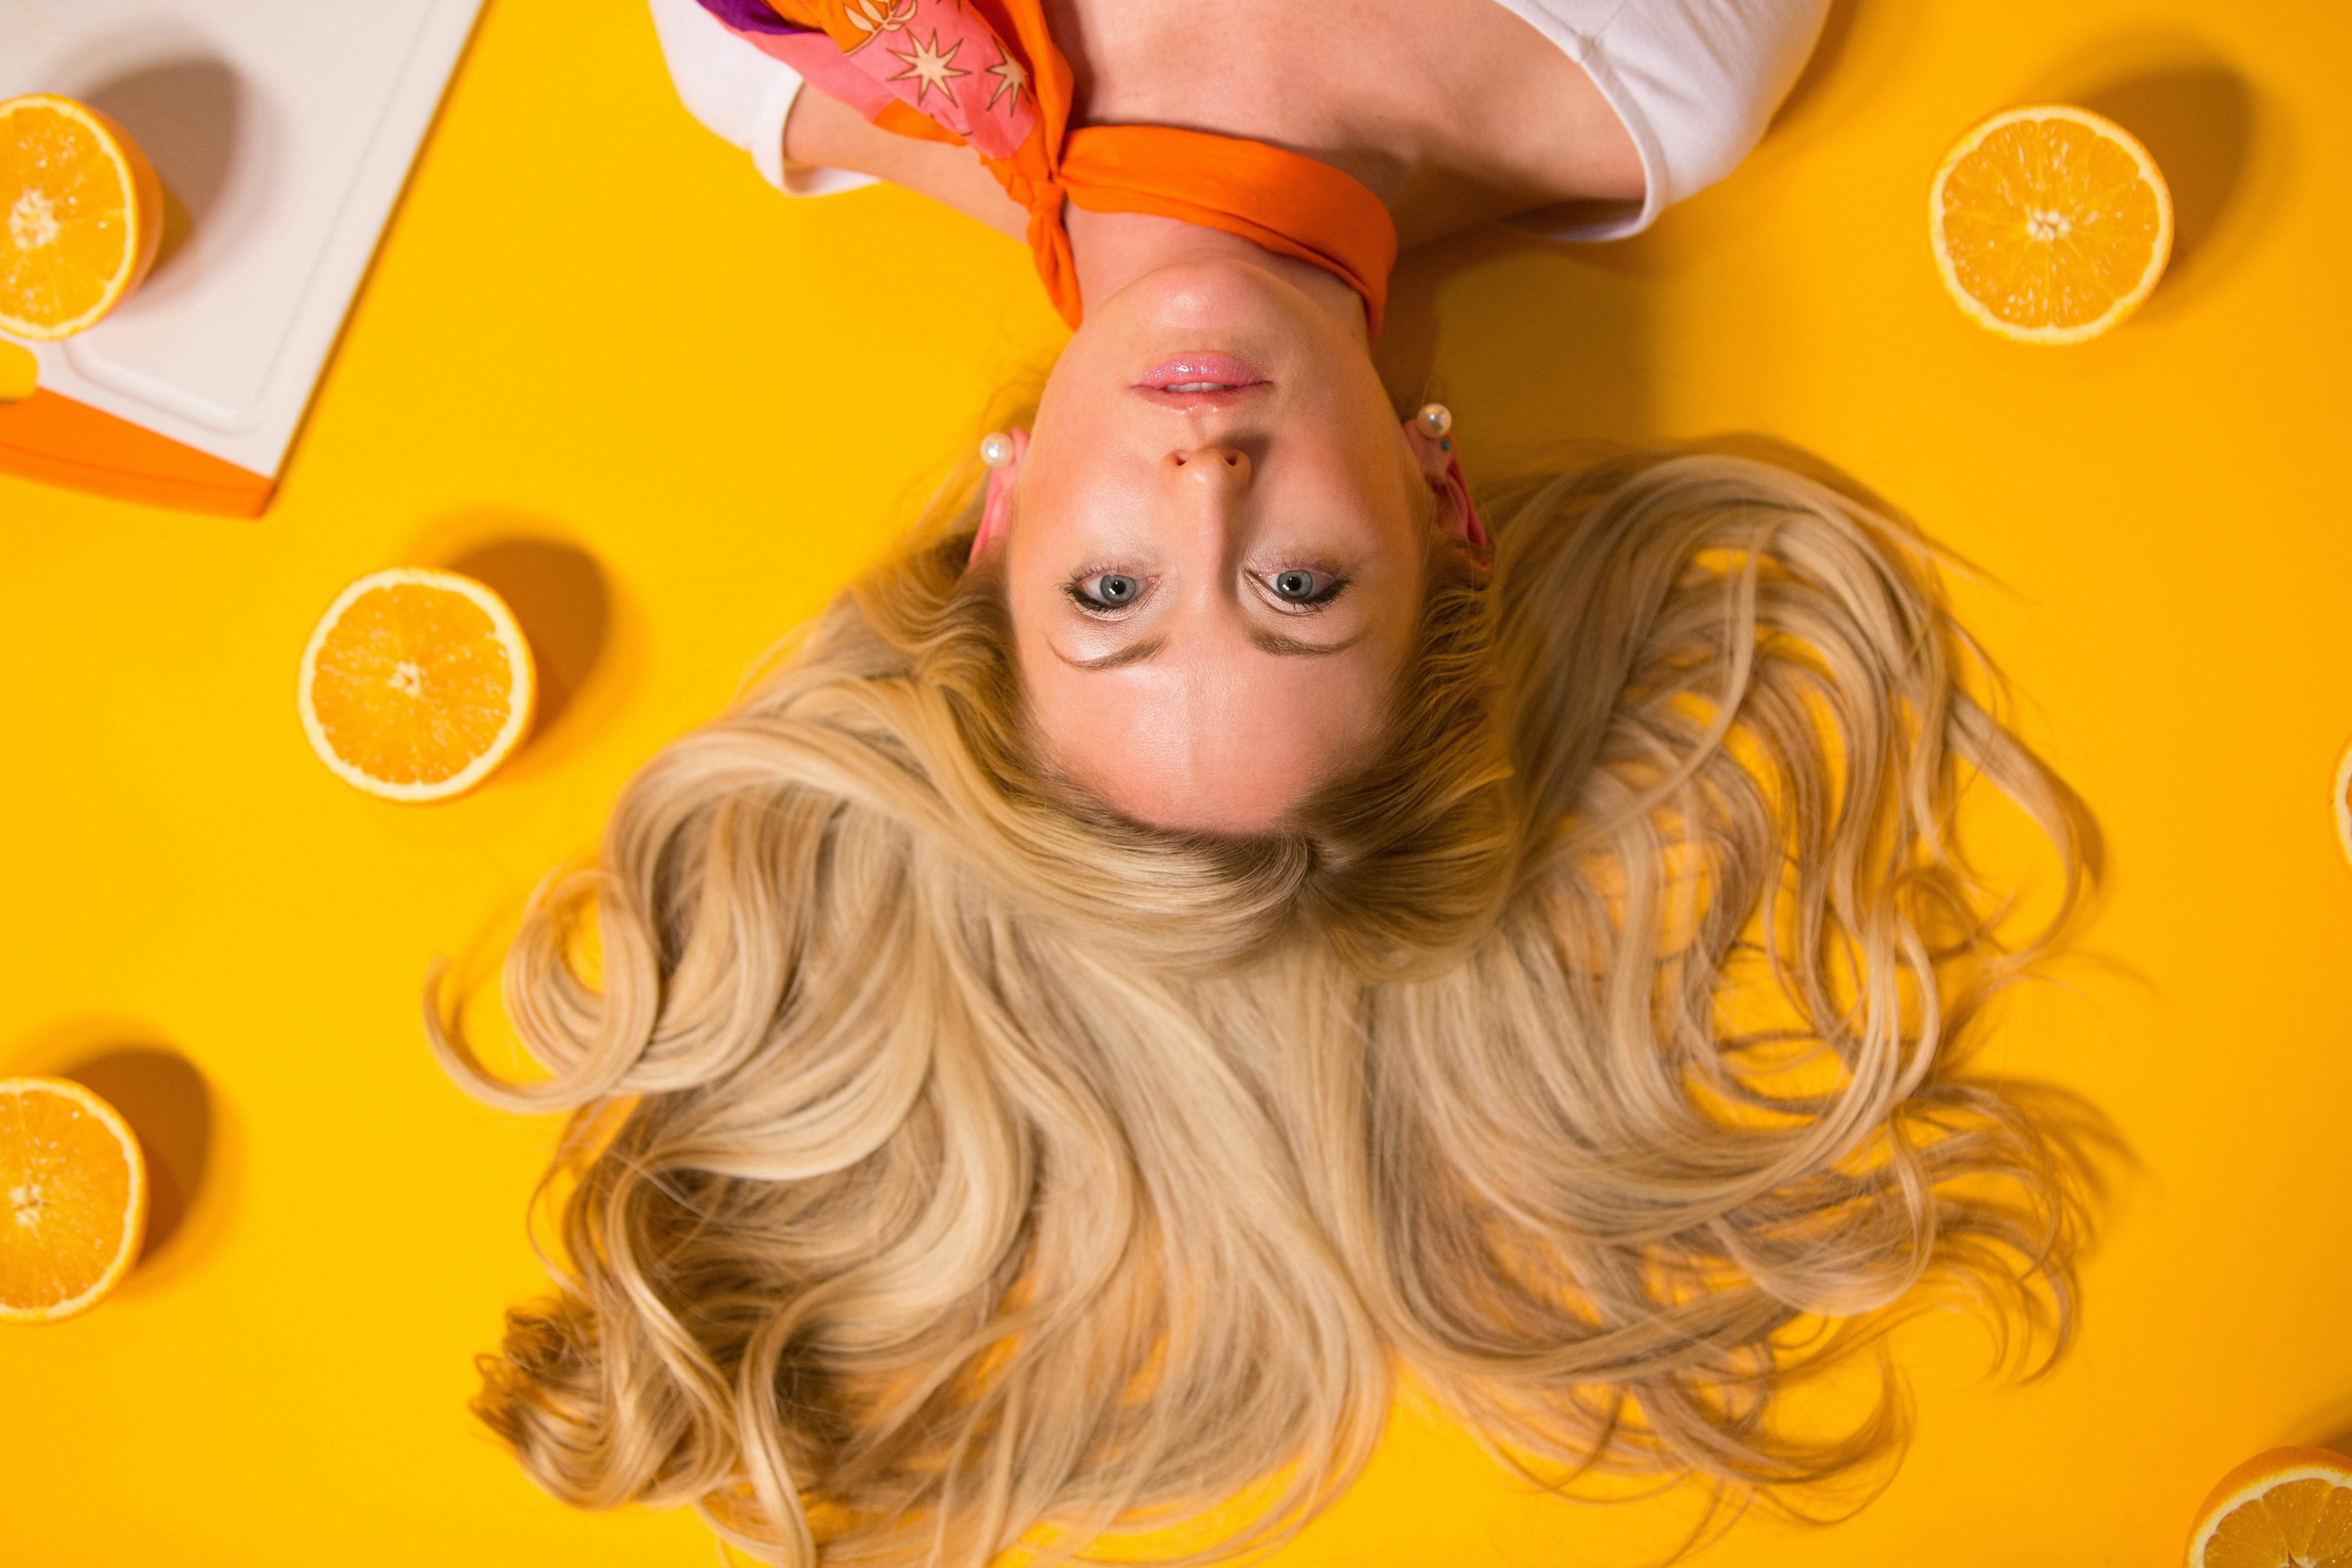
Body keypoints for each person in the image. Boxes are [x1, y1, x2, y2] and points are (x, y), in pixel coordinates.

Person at [429, 6, 2103, 1566]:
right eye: (1302, 590)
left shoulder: (765, 62)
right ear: (1446, 511)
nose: (1206, 490)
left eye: (1113, 599)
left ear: (1000, 542)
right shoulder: (1665, 55)